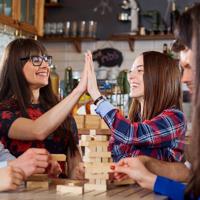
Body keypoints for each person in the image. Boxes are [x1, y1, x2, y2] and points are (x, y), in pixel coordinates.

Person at [111, 4, 200, 200]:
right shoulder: (132, 116)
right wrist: (143, 167)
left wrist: (99, 100)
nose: (184, 79)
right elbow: (189, 175)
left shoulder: (173, 117)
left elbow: (129, 135)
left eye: (190, 67)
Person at [0, 38, 87, 179]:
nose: (45, 65)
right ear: (15, 65)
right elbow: (37, 130)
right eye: (36, 60)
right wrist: (78, 90)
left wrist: (78, 172)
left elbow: (74, 161)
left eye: (46, 59)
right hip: (17, 193)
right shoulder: (4, 110)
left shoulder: (59, 111)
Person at [85, 50, 186, 163]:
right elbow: (115, 154)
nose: (130, 76)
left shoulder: (175, 118)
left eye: (140, 70)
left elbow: (130, 134)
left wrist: (97, 96)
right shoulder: (134, 120)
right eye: (131, 71)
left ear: (160, 77)